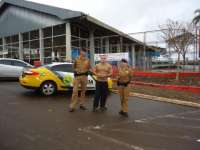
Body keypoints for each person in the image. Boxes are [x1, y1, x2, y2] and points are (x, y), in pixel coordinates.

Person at [69, 48, 90, 112]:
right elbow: (73, 67)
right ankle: (72, 106)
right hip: (77, 77)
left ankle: (82, 104)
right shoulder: (76, 59)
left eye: (85, 52)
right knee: (75, 91)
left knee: (83, 91)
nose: (84, 53)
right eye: (83, 51)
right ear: (80, 52)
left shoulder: (88, 60)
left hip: (84, 77)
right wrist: (76, 70)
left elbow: (89, 67)